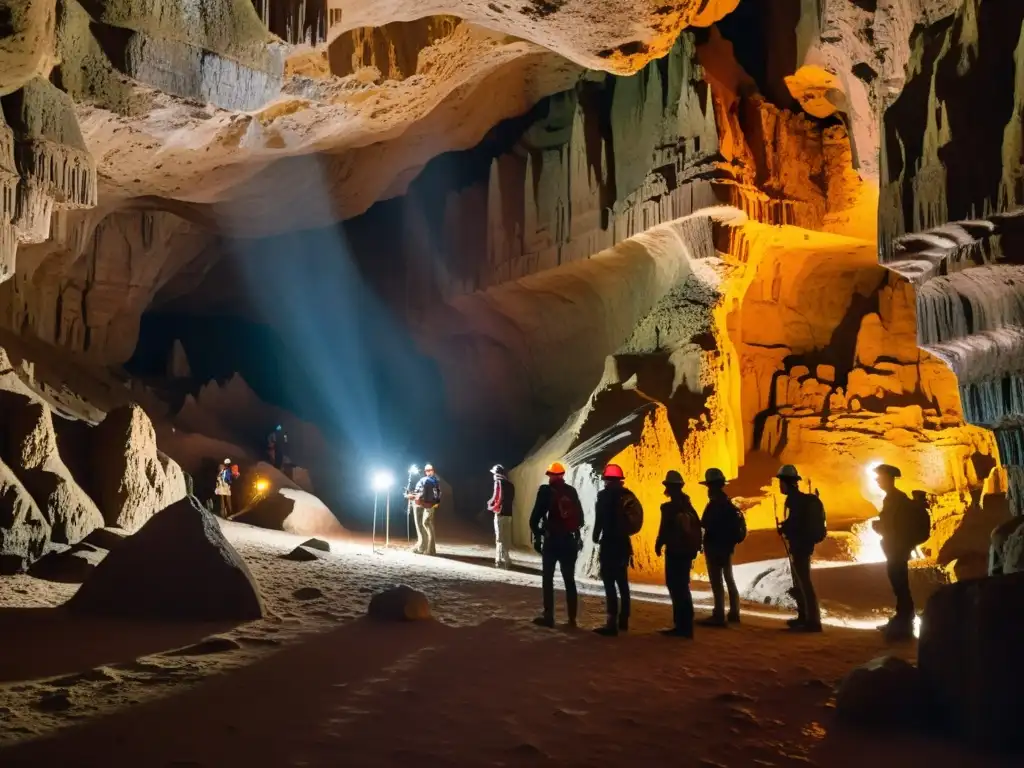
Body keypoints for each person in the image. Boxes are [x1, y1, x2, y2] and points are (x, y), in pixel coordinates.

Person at [529, 461, 584, 628]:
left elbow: (534, 519)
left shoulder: (546, 492)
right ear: (563, 476)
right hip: (569, 541)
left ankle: (549, 616)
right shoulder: (572, 492)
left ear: (551, 476)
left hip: (552, 541)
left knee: (548, 579)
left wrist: (539, 534)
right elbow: (580, 519)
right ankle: (572, 619)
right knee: (569, 580)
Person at [592, 463, 641, 637]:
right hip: (623, 544)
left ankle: (611, 622)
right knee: (622, 582)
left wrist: (595, 535)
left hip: (609, 543)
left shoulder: (604, 496)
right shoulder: (628, 495)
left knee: (609, 582)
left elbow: (600, 519)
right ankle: (624, 620)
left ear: (607, 480)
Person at [871, 464, 918, 640]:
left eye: (879, 477)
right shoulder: (893, 498)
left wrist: (880, 527)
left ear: (889, 479)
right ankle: (902, 619)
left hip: (897, 548)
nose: (877, 480)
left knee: (900, 585)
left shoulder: (896, 499)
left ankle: (905, 623)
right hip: (895, 547)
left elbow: (895, 526)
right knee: (898, 585)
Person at [776, 464, 823, 633]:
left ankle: (813, 621)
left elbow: (795, 524)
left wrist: (785, 528)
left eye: (781, 482)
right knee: (800, 581)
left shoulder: (794, 501)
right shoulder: (798, 500)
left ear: (786, 483)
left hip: (800, 545)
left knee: (804, 582)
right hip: (802, 544)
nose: (780, 486)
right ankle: (804, 616)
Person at [655, 470, 701, 638]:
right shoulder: (688, 505)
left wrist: (659, 543)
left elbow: (664, 529)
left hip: (675, 551)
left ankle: (681, 626)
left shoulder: (669, 508)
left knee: (676, 586)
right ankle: (685, 625)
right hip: (686, 552)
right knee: (682, 587)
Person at [699, 467, 743, 627]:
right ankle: (734, 613)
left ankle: (719, 615)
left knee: (717, 582)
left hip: (715, 547)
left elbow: (705, 524)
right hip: (726, 548)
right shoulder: (728, 504)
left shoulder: (714, 506)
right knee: (729, 579)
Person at [409, 463, 441, 555]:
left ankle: (430, 550)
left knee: (426, 523)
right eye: (426, 470)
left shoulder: (431, 480)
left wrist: (415, 496)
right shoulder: (427, 480)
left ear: (433, 470)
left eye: (430, 470)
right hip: (423, 504)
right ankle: (422, 546)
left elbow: (428, 494)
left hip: (428, 505)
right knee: (421, 524)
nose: (428, 472)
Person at [488, 464, 516, 569]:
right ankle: (503, 559)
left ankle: (501, 560)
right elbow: (511, 499)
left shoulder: (498, 483)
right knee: (506, 537)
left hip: (500, 513)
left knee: (499, 539)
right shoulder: (511, 484)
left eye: (494, 473)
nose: (493, 476)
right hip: (509, 514)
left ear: (497, 474)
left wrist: (492, 507)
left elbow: (497, 497)